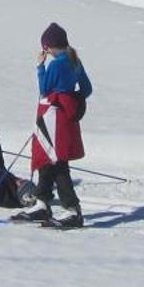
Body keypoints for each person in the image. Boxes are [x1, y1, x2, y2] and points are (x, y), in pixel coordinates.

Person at [14, 22, 92, 228]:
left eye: (45, 47)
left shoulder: (56, 64)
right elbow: (87, 89)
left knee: (57, 163)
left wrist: (40, 67)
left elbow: (45, 90)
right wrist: (71, 99)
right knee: (47, 162)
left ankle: (72, 210)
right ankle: (42, 203)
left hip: (52, 118)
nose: (45, 51)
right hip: (64, 119)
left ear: (50, 46)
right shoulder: (75, 60)